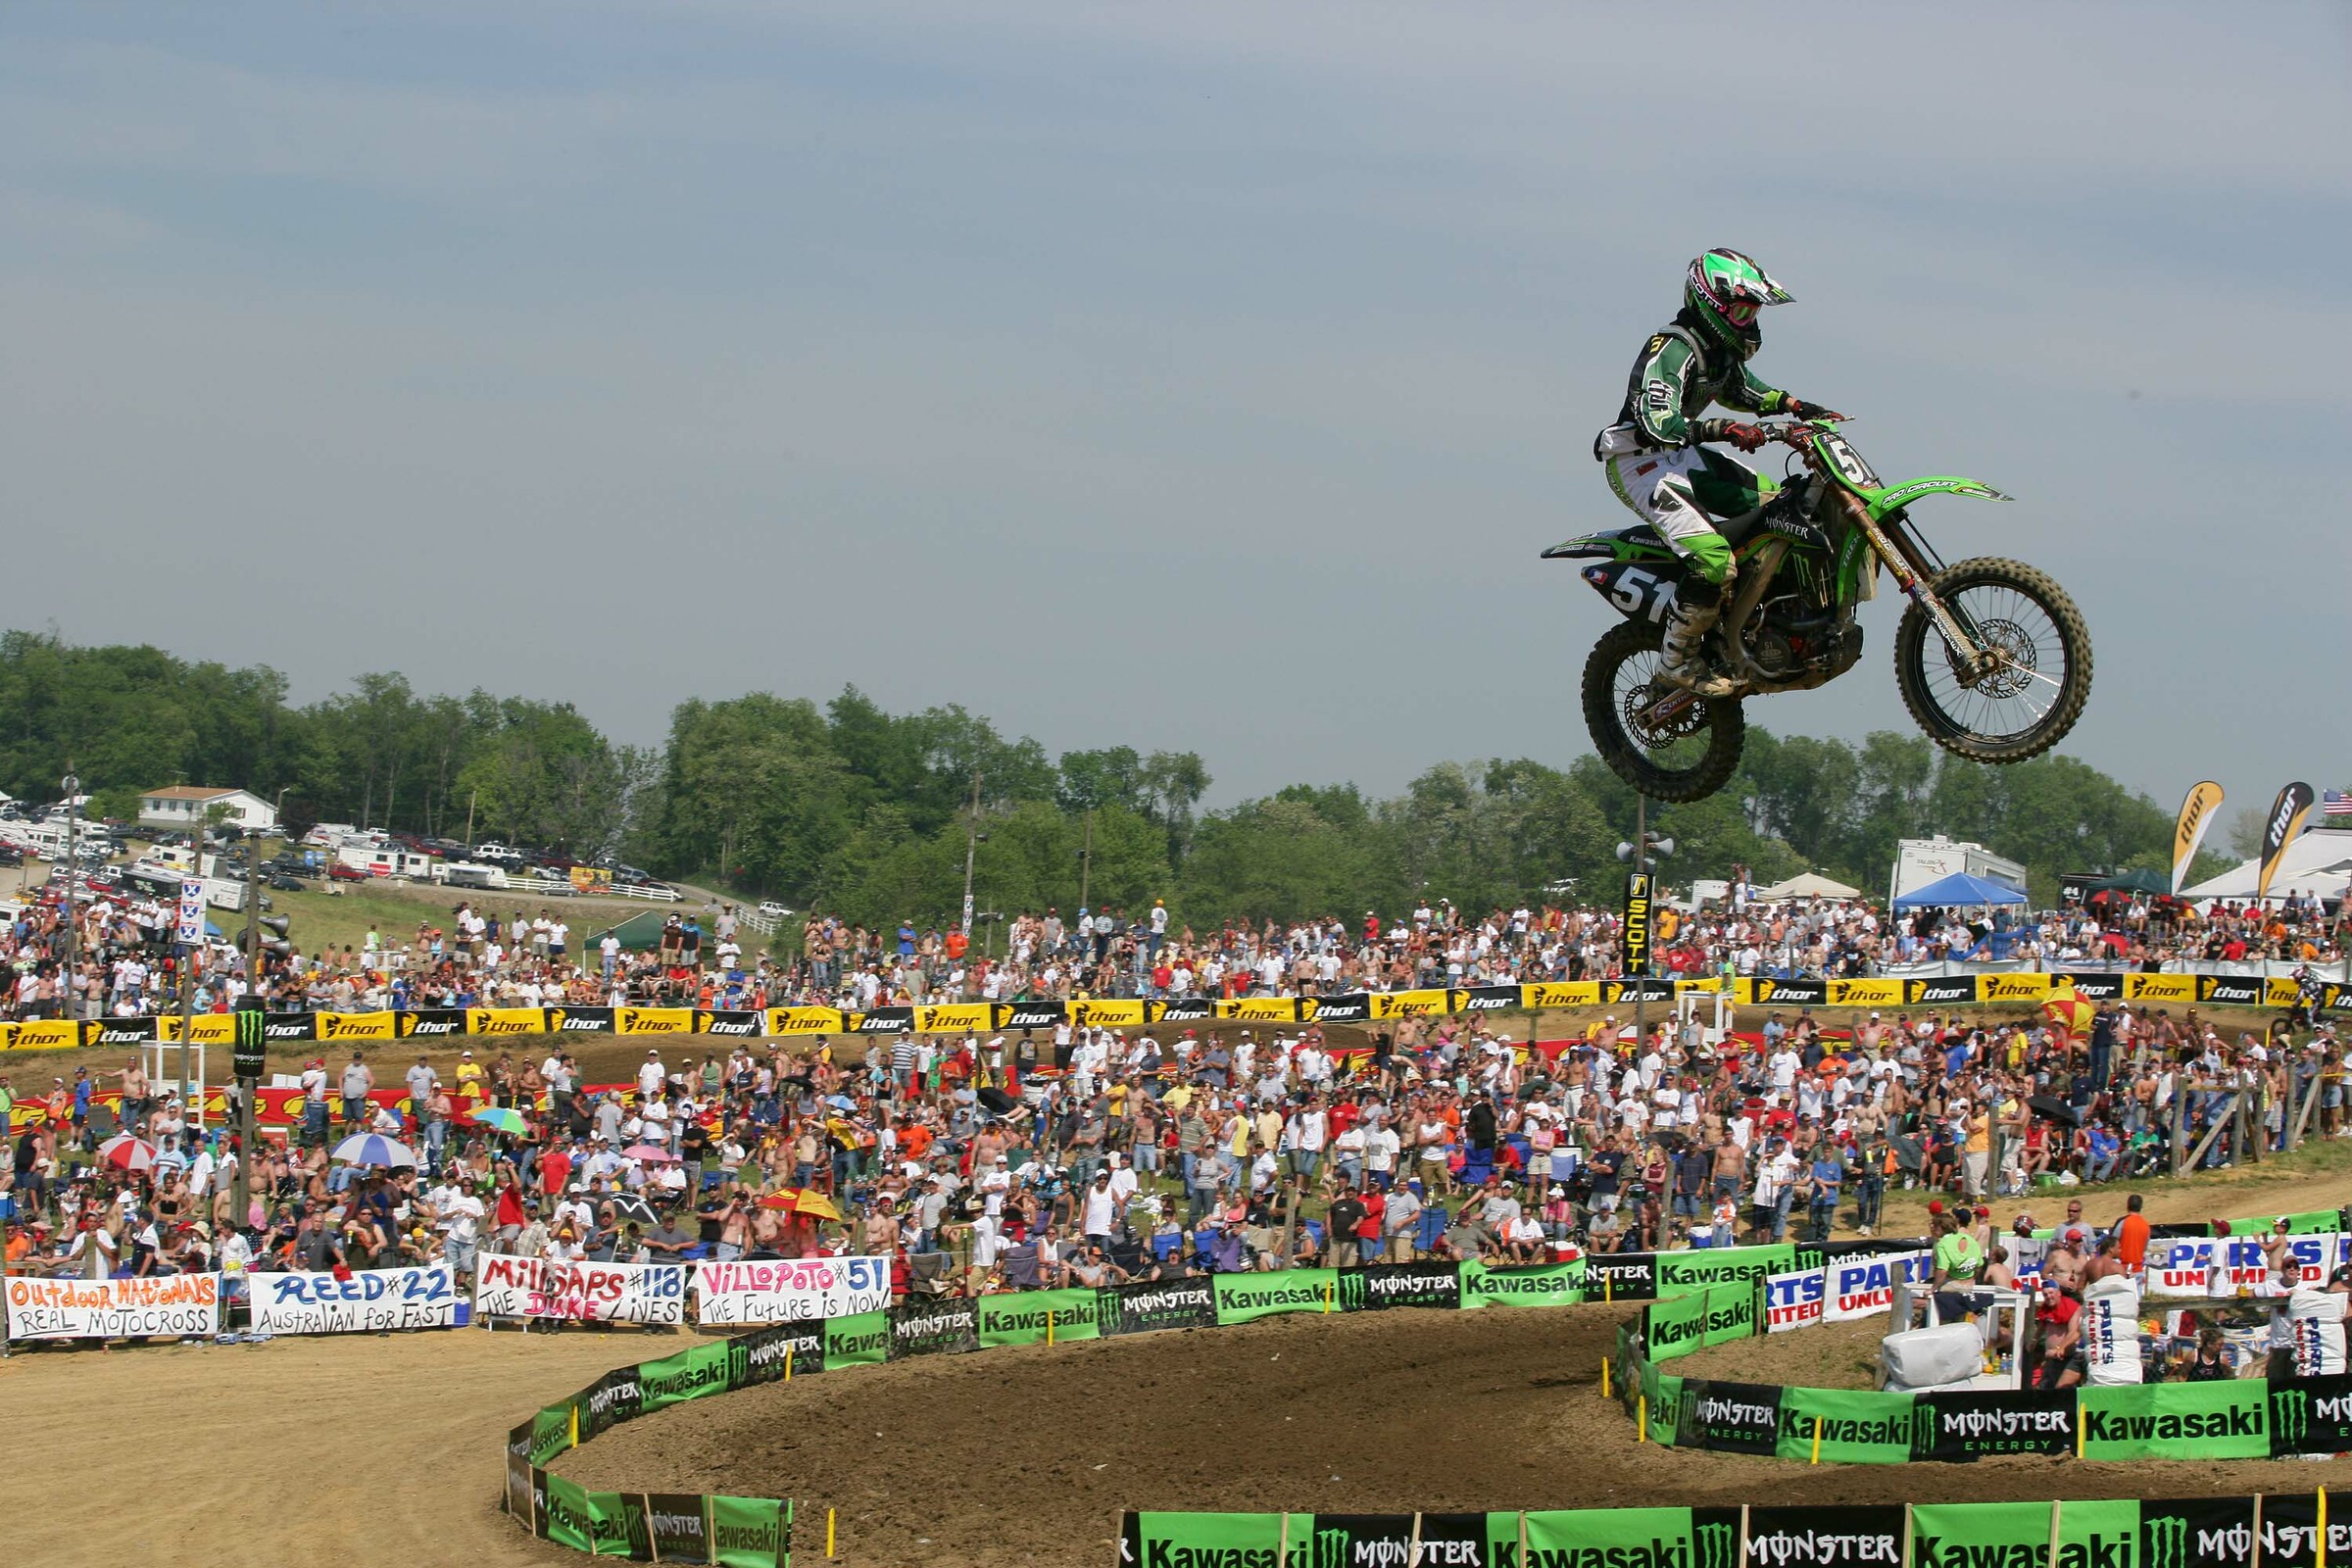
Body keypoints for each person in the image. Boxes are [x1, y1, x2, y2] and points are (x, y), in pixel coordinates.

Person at [1590, 248, 1840, 694]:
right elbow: (1656, 421)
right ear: (1711, 304)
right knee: (1713, 560)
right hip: (1640, 463)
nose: (1749, 320)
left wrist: (1795, 405)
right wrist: (1723, 428)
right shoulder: (1672, 349)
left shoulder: (1716, 349)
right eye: (1742, 310)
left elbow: (1741, 388)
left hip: (1683, 456)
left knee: (1780, 508)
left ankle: (1756, 618)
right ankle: (1675, 662)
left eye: (1753, 311)